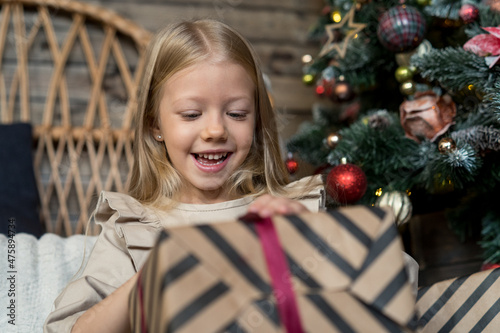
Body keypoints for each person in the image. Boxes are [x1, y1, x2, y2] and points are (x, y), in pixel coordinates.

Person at [44, 19, 324, 333]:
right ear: (156, 125)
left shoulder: (294, 211)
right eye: (191, 114)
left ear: (257, 121)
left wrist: (307, 242)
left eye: (236, 114)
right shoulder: (133, 228)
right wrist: (155, 272)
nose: (216, 130)